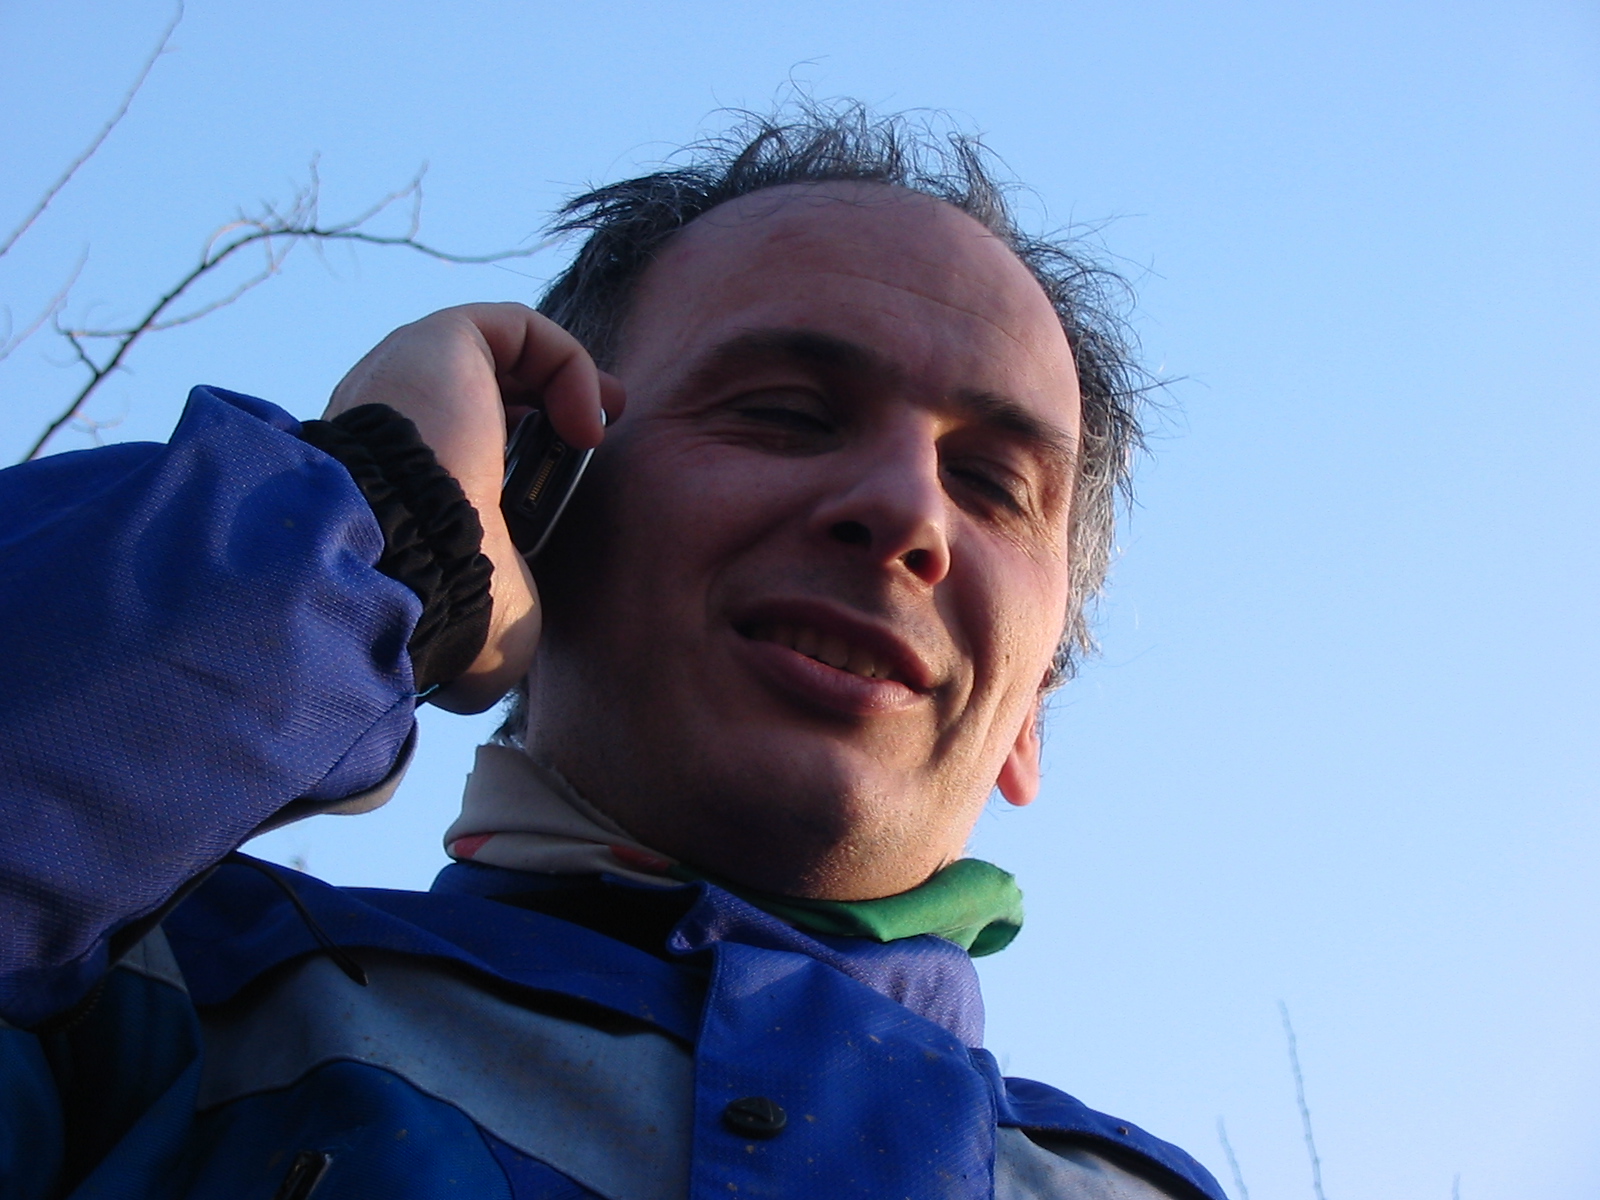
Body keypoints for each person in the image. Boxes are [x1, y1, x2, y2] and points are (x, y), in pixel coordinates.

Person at [0, 104, 1225, 1200]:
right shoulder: (161, 1011)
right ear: (532, 508)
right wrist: (380, 522)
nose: (909, 512)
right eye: (785, 413)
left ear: (1032, 713)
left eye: (993, 484)